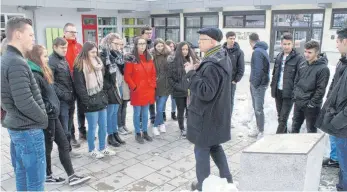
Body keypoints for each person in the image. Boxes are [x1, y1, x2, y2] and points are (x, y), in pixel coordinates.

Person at [27, 45, 91, 186]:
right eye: (44, 56)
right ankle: (49, 175)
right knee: (49, 147)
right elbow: (37, 99)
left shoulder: (42, 71)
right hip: (48, 118)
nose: (46, 58)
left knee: (61, 144)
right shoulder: (34, 74)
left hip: (52, 116)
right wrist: (50, 109)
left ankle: (69, 175)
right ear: (36, 58)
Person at [1, 17, 48, 191]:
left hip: (18, 128)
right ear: (18, 34)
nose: (33, 39)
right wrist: (43, 119)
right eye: (31, 34)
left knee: (22, 175)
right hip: (28, 130)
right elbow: (24, 101)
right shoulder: (16, 62)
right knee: (35, 182)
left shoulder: (7, 58)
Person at [185, 27, 233, 191]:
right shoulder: (221, 56)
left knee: (201, 150)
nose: (198, 42)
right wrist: (201, 69)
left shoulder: (212, 63)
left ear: (212, 41)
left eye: (202, 39)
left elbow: (206, 92)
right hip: (216, 114)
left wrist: (191, 73)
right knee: (215, 146)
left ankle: (203, 185)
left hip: (206, 117)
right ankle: (227, 180)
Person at [316, 27, 347, 191]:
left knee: (345, 161)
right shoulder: (343, 61)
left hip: (343, 125)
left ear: (345, 41)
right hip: (338, 120)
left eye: (337, 41)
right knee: (343, 161)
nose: (336, 45)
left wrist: (337, 121)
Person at [73, 41, 116, 158]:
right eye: (92, 52)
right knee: (92, 127)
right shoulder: (79, 65)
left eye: (96, 51)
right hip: (89, 100)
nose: (95, 54)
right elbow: (79, 86)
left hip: (100, 98)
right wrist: (87, 101)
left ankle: (103, 147)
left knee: (103, 125)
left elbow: (102, 80)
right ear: (85, 52)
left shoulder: (98, 62)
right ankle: (92, 149)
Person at [49, 37, 81, 158]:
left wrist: (73, 93)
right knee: (64, 128)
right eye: (62, 47)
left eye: (66, 47)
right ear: (55, 47)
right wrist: (64, 95)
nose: (65, 50)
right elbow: (50, 83)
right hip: (62, 101)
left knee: (68, 125)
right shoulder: (51, 61)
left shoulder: (63, 60)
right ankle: (65, 151)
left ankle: (68, 150)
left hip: (69, 98)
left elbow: (68, 78)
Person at [291, 40, 330, 133]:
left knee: (311, 131)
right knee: (294, 128)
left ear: (317, 53)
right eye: (305, 51)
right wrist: (295, 95)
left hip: (311, 106)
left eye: (309, 52)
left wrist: (311, 104)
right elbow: (296, 81)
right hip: (299, 102)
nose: (306, 54)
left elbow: (321, 90)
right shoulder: (303, 64)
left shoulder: (323, 69)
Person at [270, 33, 305, 134]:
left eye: (289, 44)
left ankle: (275, 140)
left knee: (283, 118)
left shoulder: (298, 58)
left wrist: (295, 91)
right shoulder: (279, 56)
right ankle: (283, 137)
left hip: (289, 93)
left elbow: (300, 78)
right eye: (284, 44)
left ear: (292, 44)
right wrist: (273, 86)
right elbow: (275, 74)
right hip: (278, 91)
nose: (286, 46)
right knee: (280, 116)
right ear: (281, 44)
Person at [124, 36, 156, 144]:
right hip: (137, 90)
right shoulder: (131, 58)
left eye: (144, 43)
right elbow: (127, 76)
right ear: (136, 45)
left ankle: (145, 132)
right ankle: (138, 133)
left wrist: (152, 85)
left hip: (148, 89)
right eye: (140, 43)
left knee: (145, 112)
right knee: (137, 113)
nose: (142, 46)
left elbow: (153, 73)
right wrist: (135, 87)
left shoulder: (149, 57)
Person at [100, 33, 126, 147]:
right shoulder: (103, 55)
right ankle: (110, 136)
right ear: (109, 43)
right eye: (116, 44)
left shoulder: (117, 55)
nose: (119, 46)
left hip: (116, 85)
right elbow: (102, 74)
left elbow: (122, 69)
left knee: (115, 111)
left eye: (120, 44)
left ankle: (115, 133)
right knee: (110, 113)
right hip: (108, 87)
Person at [168, 42, 198, 138]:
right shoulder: (173, 61)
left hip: (190, 91)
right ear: (179, 50)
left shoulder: (192, 59)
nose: (185, 51)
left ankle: (190, 127)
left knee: (190, 110)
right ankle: (182, 128)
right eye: (183, 49)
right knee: (180, 110)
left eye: (186, 49)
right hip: (179, 91)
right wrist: (179, 87)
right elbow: (170, 79)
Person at [64, 22, 85, 144]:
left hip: (80, 82)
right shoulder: (62, 46)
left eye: (75, 32)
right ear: (64, 33)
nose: (73, 34)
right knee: (70, 111)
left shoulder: (79, 46)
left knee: (82, 108)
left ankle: (83, 131)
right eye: (71, 31)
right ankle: (71, 135)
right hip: (68, 83)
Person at [248, 33, 270, 138]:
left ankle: (261, 131)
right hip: (261, 84)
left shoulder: (257, 52)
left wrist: (255, 84)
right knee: (257, 108)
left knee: (258, 109)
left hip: (258, 85)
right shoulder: (263, 50)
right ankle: (259, 128)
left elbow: (258, 70)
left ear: (250, 41)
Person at [223, 31, 245, 128]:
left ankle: (228, 120)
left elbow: (241, 68)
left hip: (231, 82)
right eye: (230, 38)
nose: (232, 40)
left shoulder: (239, 52)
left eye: (233, 38)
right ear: (226, 38)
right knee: (220, 101)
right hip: (222, 81)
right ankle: (221, 119)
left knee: (230, 101)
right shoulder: (221, 50)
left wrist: (236, 80)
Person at [151, 38, 171, 136]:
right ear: (154, 47)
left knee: (160, 107)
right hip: (155, 85)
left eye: (161, 45)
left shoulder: (168, 55)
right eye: (158, 46)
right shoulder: (151, 56)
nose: (160, 48)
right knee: (158, 106)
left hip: (166, 84)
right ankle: (162, 123)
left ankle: (155, 126)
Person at [140, 26, 156, 124]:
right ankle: (141, 120)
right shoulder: (139, 44)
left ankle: (152, 117)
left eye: (151, 33)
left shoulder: (151, 44)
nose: (149, 35)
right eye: (147, 33)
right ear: (142, 34)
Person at [117, 39, 132, 135]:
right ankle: (119, 126)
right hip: (118, 83)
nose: (121, 46)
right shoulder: (114, 55)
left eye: (123, 44)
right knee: (119, 105)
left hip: (125, 83)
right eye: (119, 44)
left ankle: (123, 124)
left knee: (124, 105)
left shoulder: (125, 55)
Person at [165, 40, 178, 121]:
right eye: (170, 46)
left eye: (173, 46)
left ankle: (173, 113)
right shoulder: (164, 55)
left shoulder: (176, 55)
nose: (171, 48)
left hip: (173, 79)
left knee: (173, 98)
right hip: (165, 80)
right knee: (164, 98)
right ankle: (163, 114)